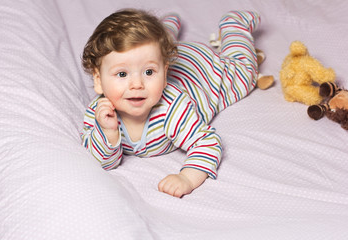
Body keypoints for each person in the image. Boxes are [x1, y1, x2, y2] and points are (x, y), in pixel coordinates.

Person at [81, 9, 260, 198]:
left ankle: (234, 25)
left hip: (202, 69)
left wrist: (187, 178)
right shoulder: (100, 113)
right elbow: (105, 163)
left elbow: (208, 143)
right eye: (122, 74)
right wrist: (108, 133)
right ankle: (166, 30)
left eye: (149, 72)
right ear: (98, 81)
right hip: (165, 56)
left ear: (164, 74)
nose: (137, 84)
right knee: (153, 47)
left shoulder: (172, 109)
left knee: (246, 74)